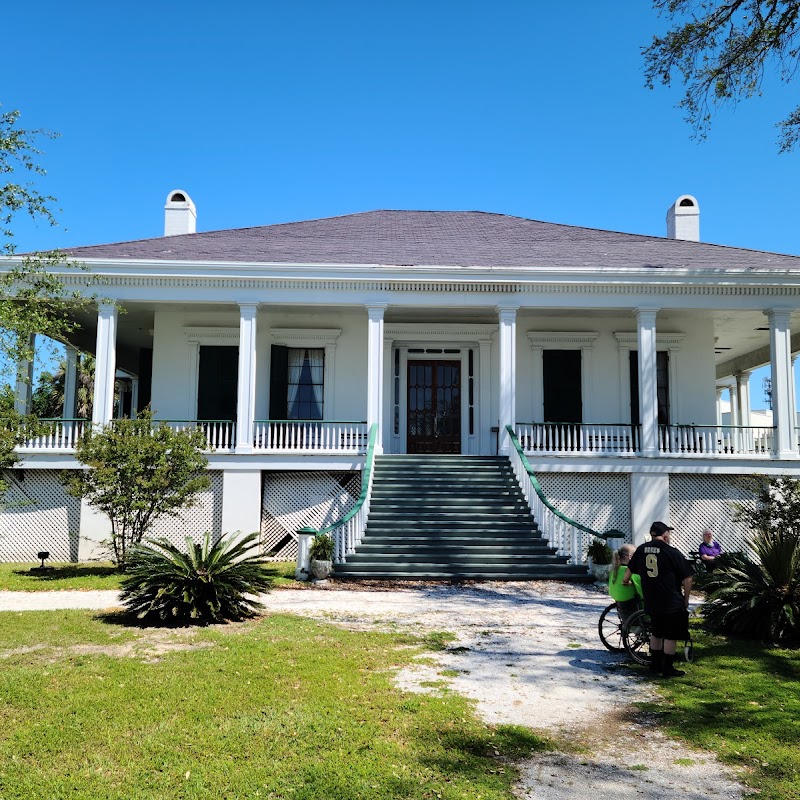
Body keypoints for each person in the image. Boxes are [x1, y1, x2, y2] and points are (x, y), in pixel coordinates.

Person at [624, 521, 692, 678]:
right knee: (670, 635)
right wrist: (686, 599)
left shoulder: (641, 550)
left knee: (656, 632)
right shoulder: (672, 552)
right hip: (670, 600)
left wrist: (627, 583)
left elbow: (627, 576)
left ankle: (655, 665)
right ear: (665, 535)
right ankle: (668, 668)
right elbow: (688, 578)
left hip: (651, 599)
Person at [608, 544, 642, 624]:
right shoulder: (631, 572)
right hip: (635, 609)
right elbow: (642, 591)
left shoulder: (614, 571)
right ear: (630, 557)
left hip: (622, 607)